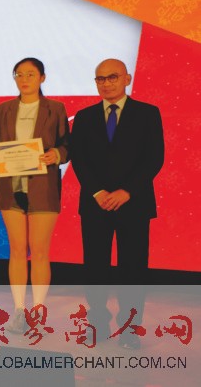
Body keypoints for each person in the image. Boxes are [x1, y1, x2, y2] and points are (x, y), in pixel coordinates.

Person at [71, 58, 164, 349]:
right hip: (95, 204)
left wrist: (127, 191)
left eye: (112, 77)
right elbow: (79, 159)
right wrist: (97, 191)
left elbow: (154, 158)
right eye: (100, 79)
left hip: (134, 204)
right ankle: (97, 324)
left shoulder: (148, 113)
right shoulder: (84, 116)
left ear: (127, 78)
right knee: (94, 268)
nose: (106, 83)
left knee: (133, 269)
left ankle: (130, 329)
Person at [0, 58, 69, 332]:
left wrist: (57, 154)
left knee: (40, 252)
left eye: (30, 74)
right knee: (17, 250)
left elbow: (67, 145)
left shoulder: (55, 109)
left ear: (42, 77)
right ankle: (19, 311)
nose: (24, 79)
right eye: (19, 74)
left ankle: (38, 311)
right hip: (10, 187)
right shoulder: (4, 109)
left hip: (43, 187)